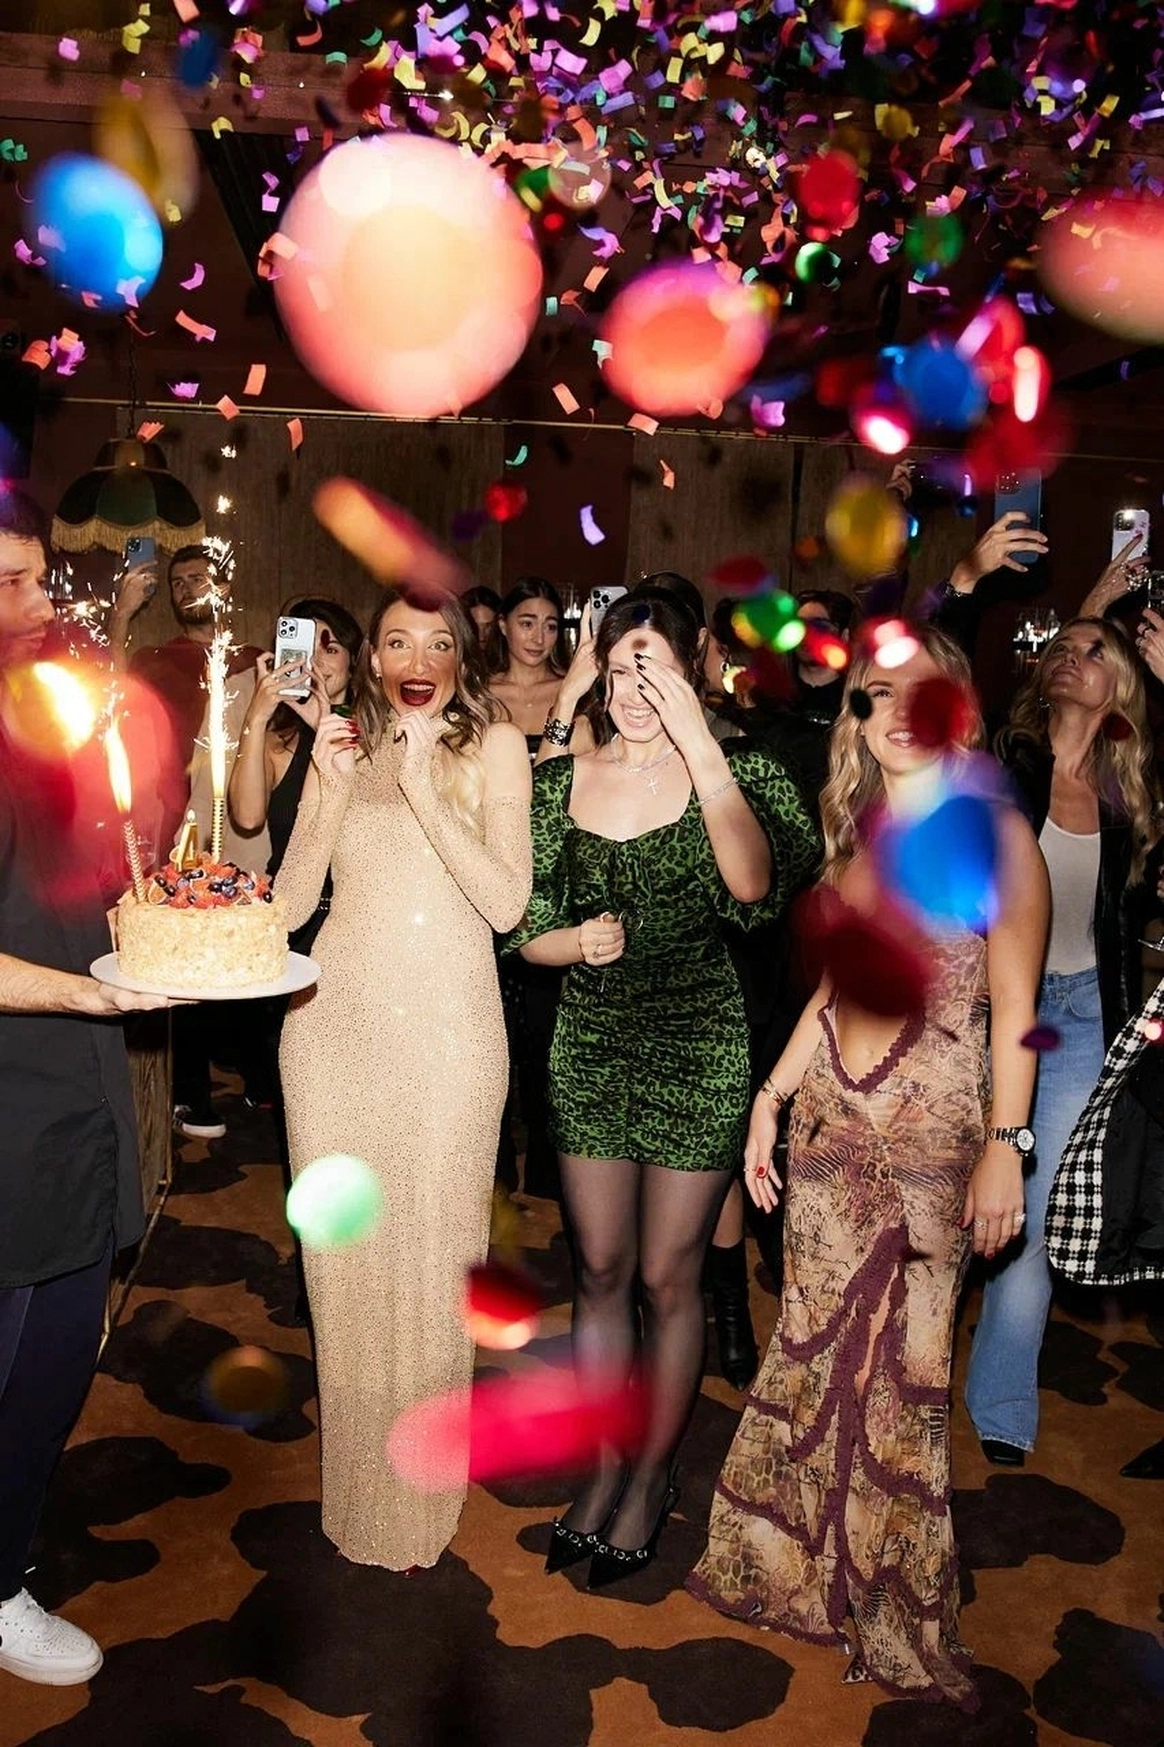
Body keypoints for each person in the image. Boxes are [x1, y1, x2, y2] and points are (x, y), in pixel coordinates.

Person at [689, 624, 1049, 1707]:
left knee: (908, 1367)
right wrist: (768, 1099)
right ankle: (800, 1570)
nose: (894, 711)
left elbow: (1019, 1011)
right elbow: (829, 995)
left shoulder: (996, 836)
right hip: (827, 1129)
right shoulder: (859, 836)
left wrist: (1007, 1148)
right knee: (808, 1339)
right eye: (873, 694)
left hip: (934, 1143)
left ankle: (891, 1596)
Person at [506, 591, 819, 1588]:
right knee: (598, 1267)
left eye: (656, 671)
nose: (635, 691)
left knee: (667, 1276)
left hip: (699, 1041)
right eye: (619, 669)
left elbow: (754, 888)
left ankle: (651, 1475)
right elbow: (525, 925)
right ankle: (602, 1465)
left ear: (690, 673)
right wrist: (572, 942)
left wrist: (705, 753)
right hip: (592, 1042)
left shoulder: (740, 772)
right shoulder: (561, 781)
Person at [274, 585, 531, 1569]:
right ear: (373, 657)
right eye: (395, 642)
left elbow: (507, 903)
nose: (416, 660)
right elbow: (290, 905)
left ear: (462, 655)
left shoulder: (497, 746)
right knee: (344, 1265)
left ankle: (419, 1489)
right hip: (332, 1031)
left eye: (436, 642)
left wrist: (424, 783)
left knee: (434, 1257)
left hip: (451, 1039)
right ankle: (356, 1482)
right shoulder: (343, 741)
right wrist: (326, 779)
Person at [0, 488, 174, 1685]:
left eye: (29, 578)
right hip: (9, 1106)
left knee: (60, 1361)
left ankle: (2, 1567)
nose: (25, 603)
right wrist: (86, 997)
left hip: (77, 1103)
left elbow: (92, 884)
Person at [965, 617, 1161, 1465]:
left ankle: (1001, 1402)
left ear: (1123, 685)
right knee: (941, 1192)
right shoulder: (1007, 759)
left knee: (1032, 1214)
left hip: (1081, 1018)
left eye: (1095, 652)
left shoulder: (1130, 795)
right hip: (982, 1007)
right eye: (1064, 648)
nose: (1072, 659)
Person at [109, 544, 263, 1141]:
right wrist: (121, 616)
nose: (188, 588)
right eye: (177, 582)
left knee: (248, 935)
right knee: (186, 951)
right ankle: (191, 1091)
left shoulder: (254, 660)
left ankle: (255, 1070)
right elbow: (109, 698)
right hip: (176, 824)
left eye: (200, 577)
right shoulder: (154, 659)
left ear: (225, 585)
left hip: (248, 822)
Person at [487, 577, 573, 757]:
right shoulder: (481, 695)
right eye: (527, 624)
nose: (539, 639)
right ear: (503, 625)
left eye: (550, 627)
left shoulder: (572, 691)